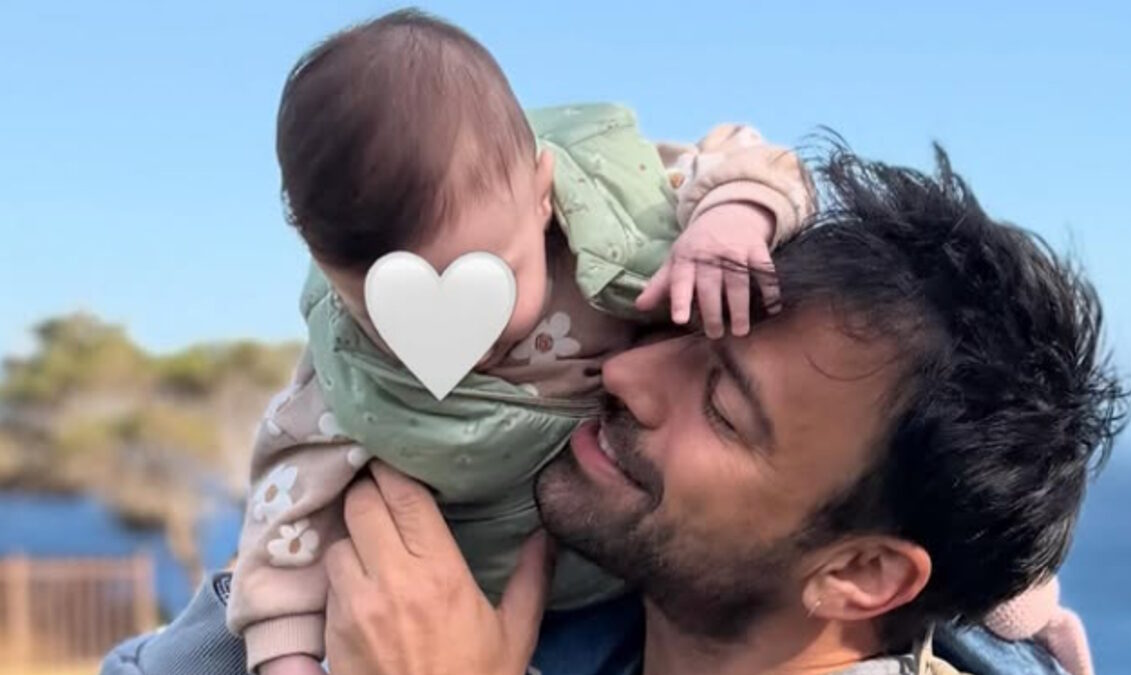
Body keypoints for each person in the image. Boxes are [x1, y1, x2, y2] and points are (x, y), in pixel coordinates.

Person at [102, 144, 1127, 675]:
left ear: (860, 573)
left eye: (722, 406)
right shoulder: (524, 596)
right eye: (673, 325)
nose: (630, 374)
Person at [233, 8, 817, 675]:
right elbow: (287, 507)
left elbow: (745, 157)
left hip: (634, 575)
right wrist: (286, 653)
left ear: (542, 194)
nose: (461, 335)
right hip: (472, 612)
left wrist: (734, 214)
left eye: (493, 276)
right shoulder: (349, 376)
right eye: (389, 309)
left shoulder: (618, 208)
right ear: (328, 271)